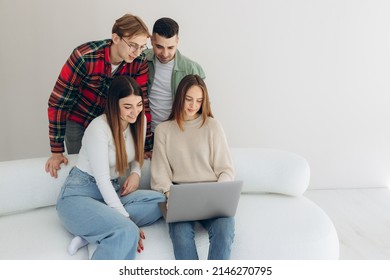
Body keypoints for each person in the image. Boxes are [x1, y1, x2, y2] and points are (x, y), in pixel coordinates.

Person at [56, 76, 165, 260]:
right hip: (79, 194)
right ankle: (106, 226)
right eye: (127, 106)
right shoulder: (98, 128)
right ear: (114, 104)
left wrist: (136, 173)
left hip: (110, 193)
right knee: (127, 230)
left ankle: (94, 231)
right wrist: (127, 220)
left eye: (138, 104)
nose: (135, 112)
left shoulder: (140, 120)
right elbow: (102, 180)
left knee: (161, 202)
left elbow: (138, 152)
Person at [46, 13, 152, 178]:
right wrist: (56, 150)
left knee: (109, 170)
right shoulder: (84, 57)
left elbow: (141, 104)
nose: (138, 52)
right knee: (86, 170)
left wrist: (146, 145)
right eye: (133, 45)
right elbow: (58, 102)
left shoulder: (139, 62)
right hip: (78, 120)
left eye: (142, 46)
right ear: (115, 38)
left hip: (111, 122)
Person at [151, 74, 235, 260]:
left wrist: (219, 193)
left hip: (212, 194)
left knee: (224, 230)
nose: (193, 105)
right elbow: (160, 173)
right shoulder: (164, 130)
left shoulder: (213, 126)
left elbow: (226, 169)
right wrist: (169, 193)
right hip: (181, 196)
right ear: (180, 97)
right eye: (188, 99)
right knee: (180, 236)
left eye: (199, 100)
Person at [143, 17, 205, 156]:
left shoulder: (192, 69)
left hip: (177, 135)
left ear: (177, 41)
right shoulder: (140, 60)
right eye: (159, 46)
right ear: (151, 40)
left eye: (170, 47)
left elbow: (200, 108)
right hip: (145, 135)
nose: (165, 54)